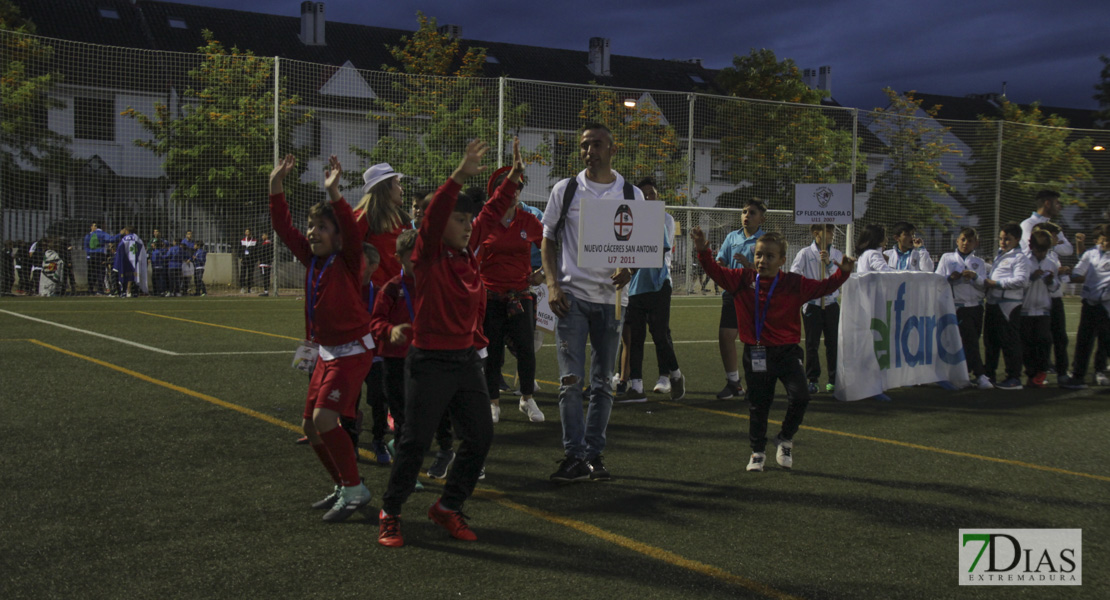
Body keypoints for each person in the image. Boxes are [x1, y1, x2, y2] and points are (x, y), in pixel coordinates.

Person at [377, 139, 519, 548]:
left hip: (466, 361)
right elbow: (438, 212)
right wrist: (458, 176)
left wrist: (511, 182)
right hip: (430, 362)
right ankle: (391, 512)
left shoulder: (468, 254)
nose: (467, 225)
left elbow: (489, 215)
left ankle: (448, 507)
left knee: (479, 437)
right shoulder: (429, 254)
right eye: (459, 221)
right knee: (415, 443)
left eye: (467, 221)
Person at [692, 227, 854, 472]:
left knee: (800, 396)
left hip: (787, 353)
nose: (762, 260)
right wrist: (703, 250)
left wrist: (842, 274)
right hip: (756, 352)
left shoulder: (793, 283)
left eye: (769, 256)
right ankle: (757, 451)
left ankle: (785, 438)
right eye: (758, 255)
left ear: (782, 260)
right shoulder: (741, 280)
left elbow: (823, 288)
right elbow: (714, 271)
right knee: (759, 404)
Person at [270, 153, 375, 523]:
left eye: (321, 227)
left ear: (340, 236)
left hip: (351, 352)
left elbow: (350, 225)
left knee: (325, 418)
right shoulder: (312, 259)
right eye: (311, 226)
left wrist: (334, 192)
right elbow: (284, 228)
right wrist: (276, 184)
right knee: (310, 426)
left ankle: (355, 487)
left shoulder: (347, 260)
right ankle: (346, 485)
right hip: (326, 352)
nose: (313, 232)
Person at [541, 123, 643, 483]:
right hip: (573, 298)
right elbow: (548, 239)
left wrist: (628, 267)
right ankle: (574, 456)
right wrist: (553, 284)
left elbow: (638, 248)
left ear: (612, 149)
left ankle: (594, 456)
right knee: (571, 381)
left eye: (597, 144)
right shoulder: (566, 190)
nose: (589, 151)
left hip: (612, 301)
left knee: (603, 383)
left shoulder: (631, 194)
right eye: (584, 145)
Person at [471, 166, 545, 423]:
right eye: (507, 189)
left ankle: (527, 398)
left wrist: (544, 272)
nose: (513, 194)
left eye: (516, 188)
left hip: (520, 295)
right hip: (489, 296)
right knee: (492, 352)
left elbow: (550, 245)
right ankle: (493, 402)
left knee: (526, 348)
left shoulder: (529, 220)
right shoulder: (484, 222)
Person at [368, 229, 437, 488]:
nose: (417, 262)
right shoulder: (391, 288)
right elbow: (376, 321)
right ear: (398, 258)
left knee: (419, 421)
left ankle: (400, 447)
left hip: (424, 360)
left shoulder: (432, 284)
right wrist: (389, 331)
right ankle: (407, 473)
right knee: (404, 418)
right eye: (411, 258)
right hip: (395, 362)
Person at [620, 177, 684, 402]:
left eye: (651, 194)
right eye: (643, 194)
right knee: (635, 337)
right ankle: (636, 386)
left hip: (657, 284)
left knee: (659, 333)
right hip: (635, 287)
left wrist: (632, 264)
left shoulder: (659, 220)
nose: (647, 198)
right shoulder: (626, 218)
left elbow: (659, 251)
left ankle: (674, 374)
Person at [713, 199, 767, 400]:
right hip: (733, 293)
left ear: (762, 218)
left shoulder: (766, 240)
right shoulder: (732, 237)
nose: (746, 215)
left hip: (756, 294)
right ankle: (733, 382)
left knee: (756, 341)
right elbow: (722, 260)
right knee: (726, 335)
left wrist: (749, 266)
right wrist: (718, 263)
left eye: (752, 212)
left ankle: (757, 384)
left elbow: (771, 270)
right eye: (744, 211)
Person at [935, 227, 992, 389]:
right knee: (969, 340)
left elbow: (984, 286)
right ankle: (980, 374)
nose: (966, 243)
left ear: (976, 243)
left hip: (976, 306)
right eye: (963, 240)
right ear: (957, 241)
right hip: (958, 306)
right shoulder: (947, 258)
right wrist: (950, 278)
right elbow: (938, 280)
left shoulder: (979, 262)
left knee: (971, 340)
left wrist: (975, 277)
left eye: (970, 241)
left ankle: (964, 374)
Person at [790, 224, 842, 395]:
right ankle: (813, 379)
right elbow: (794, 273)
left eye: (832, 232)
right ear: (816, 234)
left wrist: (828, 264)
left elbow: (840, 276)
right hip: (812, 304)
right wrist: (806, 289)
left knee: (833, 343)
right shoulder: (805, 253)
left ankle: (834, 379)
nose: (832, 235)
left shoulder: (836, 254)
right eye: (828, 232)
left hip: (831, 304)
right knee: (812, 344)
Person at [1061, 224, 1110, 389]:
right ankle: (1078, 376)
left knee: (1106, 341)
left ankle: (1100, 371)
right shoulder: (1090, 254)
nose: (1105, 244)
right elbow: (1078, 271)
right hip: (1089, 304)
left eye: (1108, 241)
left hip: (1107, 306)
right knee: (1084, 340)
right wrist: (1073, 275)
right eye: (1103, 241)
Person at [982, 223, 1030, 390]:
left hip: (1008, 305)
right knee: (991, 342)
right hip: (993, 303)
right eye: (1001, 238)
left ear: (1017, 240)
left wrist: (997, 283)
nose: (1003, 242)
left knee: (1009, 342)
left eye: (1007, 239)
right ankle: (989, 374)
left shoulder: (1020, 258)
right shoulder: (1000, 255)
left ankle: (1014, 377)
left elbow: (1022, 281)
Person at [355, 242, 390, 464]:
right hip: (349, 355)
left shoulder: (379, 293)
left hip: (375, 356)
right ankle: (350, 441)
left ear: (374, 266)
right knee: (349, 401)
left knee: (379, 399)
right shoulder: (344, 290)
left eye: (361, 262)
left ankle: (379, 439)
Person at [354, 163, 411, 288]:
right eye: (398, 183)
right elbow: (349, 249)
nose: (402, 189)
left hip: (400, 291)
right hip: (372, 294)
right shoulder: (363, 217)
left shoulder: (404, 219)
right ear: (385, 187)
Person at [1020, 230, 1060, 388]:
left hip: (1043, 309)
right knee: (1027, 344)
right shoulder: (1024, 261)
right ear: (1032, 247)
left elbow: (1056, 287)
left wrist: (1050, 281)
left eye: (1045, 250)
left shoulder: (1051, 263)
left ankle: (1041, 372)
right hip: (1025, 309)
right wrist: (1031, 278)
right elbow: (1020, 285)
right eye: (1039, 250)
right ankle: (1031, 375)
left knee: (1044, 340)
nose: (1042, 253)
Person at [84, 223, 110, 294]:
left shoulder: (101, 234)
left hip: (101, 256)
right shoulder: (88, 236)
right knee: (92, 274)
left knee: (101, 274)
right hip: (92, 257)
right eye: (93, 226)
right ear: (91, 227)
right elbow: (86, 247)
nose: (95, 227)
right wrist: (88, 255)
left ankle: (100, 290)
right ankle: (90, 289)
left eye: (96, 226)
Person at [239, 228, 257, 294]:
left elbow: (256, 251)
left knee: (250, 274)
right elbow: (240, 249)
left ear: (251, 233)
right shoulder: (242, 240)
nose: (247, 233)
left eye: (248, 232)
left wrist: (255, 259)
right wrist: (240, 257)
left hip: (251, 260)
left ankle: (250, 288)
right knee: (243, 274)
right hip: (244, 259)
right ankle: (242, 288)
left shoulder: (254, 241)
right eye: (246, 232)